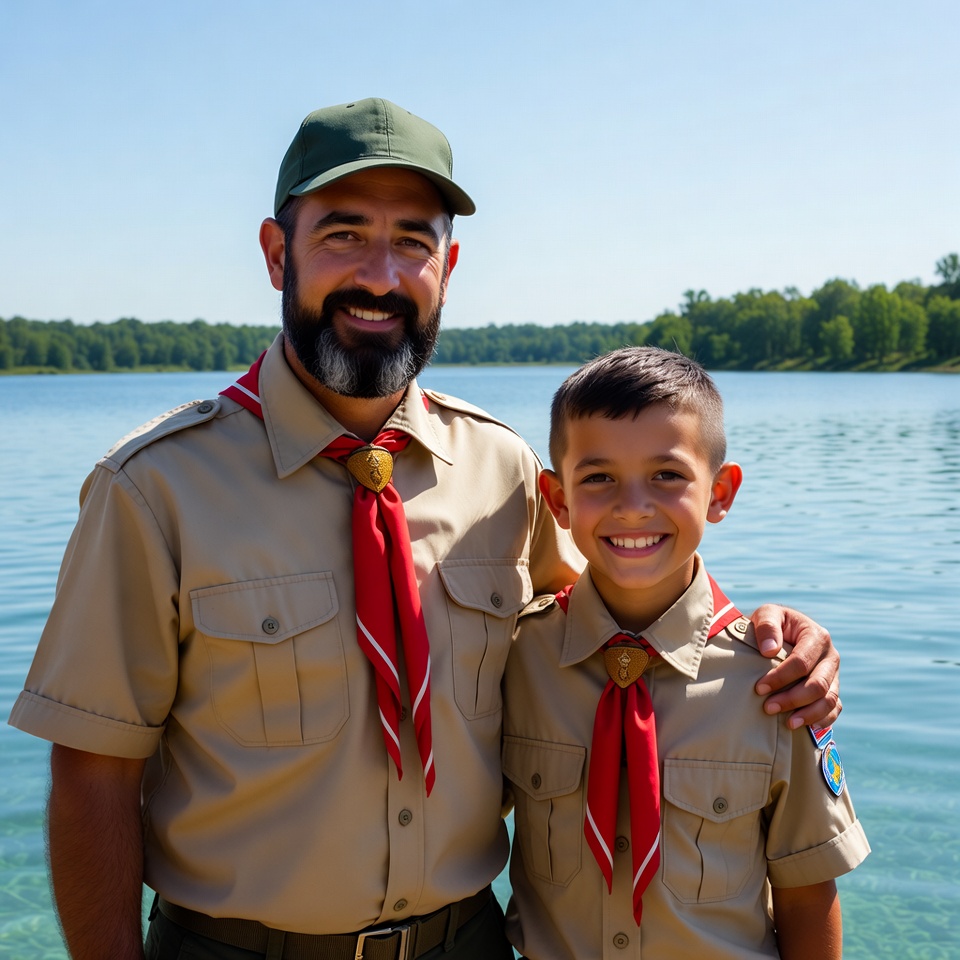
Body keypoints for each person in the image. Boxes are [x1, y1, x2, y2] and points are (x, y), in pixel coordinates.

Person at [9, 99, 841, 960]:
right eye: (342, 234)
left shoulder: (505, 469)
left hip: (469, 943)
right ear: (273, 253)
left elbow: (610, 635)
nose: (381, 275)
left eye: (412, 240)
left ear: (447, 264)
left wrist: (774, 639)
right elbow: (92, 775)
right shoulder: (154, 488)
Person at [502, 346, 870, 960]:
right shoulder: (519, 656)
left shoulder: (775, 682)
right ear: (558, 500)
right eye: (598, 478)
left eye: (667, 475)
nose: (633, 505)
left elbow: (807, 893)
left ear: (720, 492)